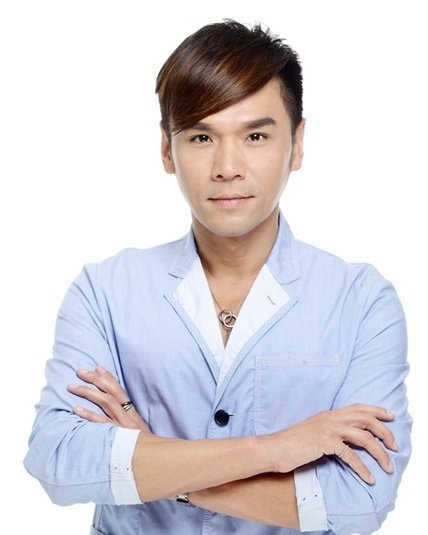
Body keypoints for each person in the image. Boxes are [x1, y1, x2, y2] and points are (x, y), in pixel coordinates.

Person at [24, 19, 412, 535]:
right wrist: (271, 450)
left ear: (297, 144)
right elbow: (58, 461)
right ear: (168, 149)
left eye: (255, 136)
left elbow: (360, 501)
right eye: (202, 136)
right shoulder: (105, 292)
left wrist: (158, 464)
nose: (228, 167)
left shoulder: (361, 302)